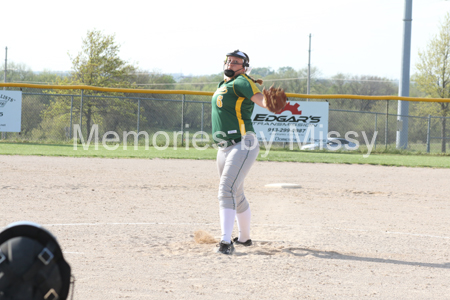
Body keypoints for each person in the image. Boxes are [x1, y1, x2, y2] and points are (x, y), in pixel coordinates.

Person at [211, 50, 270, 255]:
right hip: (224, 147)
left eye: (237, 62)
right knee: (235, 192)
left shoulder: (242, 81)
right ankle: (244, 238)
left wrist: (270, 104)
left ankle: (226, 242)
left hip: (243, 143)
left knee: (225, 191)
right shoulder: (223, 84)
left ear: (244, 68)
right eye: (229, 60)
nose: (231, 63)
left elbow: (261, 100)